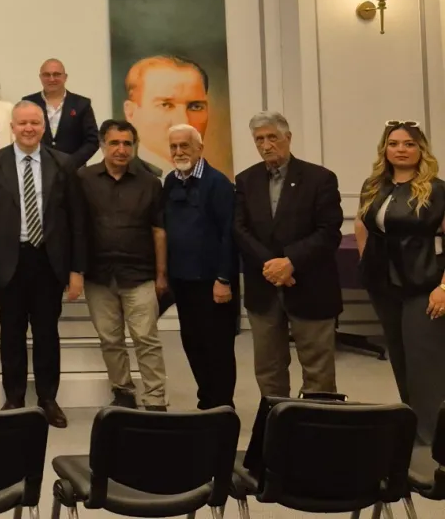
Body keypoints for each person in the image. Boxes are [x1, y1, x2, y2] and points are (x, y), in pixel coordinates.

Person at [0, 102, 85, 427]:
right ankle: (14, 399)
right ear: (12, 126)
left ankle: (48, 399)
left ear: (43, 127)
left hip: (49, 262)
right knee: (11, 333)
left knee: (46, 334)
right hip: (9, 261)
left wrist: (76, 270)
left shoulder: (63, 164)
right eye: (22, 123)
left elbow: (77, 220)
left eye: (35, 123)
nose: (28, 128)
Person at [233, 111, 342, 399]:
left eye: (272, 137)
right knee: (268, 368)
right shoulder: (245, 180)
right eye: (259, 139)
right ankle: (275, 420)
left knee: (318, 370)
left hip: (310, 286)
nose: (266, 145)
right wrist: (271, 266)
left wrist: (291, 262)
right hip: (263, 288)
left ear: (288, 138)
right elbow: (239, 229)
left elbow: (329, 232)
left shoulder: (320, 178)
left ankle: (316, 422)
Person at [354, 120, 445, 445]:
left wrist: (444, 288)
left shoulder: (437, 189)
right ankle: (413, 428)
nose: (401, 150)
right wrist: (366, 262)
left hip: (424, 287)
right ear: (385, 149)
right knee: (400, 357)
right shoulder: (373, 185)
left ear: (421, 149)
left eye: (409, 144)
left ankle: (434, 438)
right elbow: (361, 224)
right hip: (384, 286)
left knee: (425, 363)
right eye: (394, 144)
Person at [77, 119, 167, 410]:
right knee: (110, 339)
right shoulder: (84, 179)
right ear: (102, 145)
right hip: (98, 276)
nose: (121, 149)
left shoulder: (150, 183)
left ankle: (155, 399)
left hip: (139, 274)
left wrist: (161, 275)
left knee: (146, 338)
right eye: (114, 143)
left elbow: (159, 231)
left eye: (127, 143)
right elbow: (75, 226)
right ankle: (123, 392)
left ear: (134, 146)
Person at [163, 124, 238, 409]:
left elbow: (229, 234)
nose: (179, 151)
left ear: (199, 148)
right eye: (174, 146)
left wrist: (224, 278)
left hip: (213, 282)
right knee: (192, 343)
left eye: (185, 145)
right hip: (183, 282)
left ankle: (223, 405)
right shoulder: (170, 182)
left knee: (217, 347)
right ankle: (206, 400)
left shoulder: (218, 183)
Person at [123, 55, 211, 175]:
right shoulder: (117, 179)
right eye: (166, 105)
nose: (183, 121)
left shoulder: (216, 181)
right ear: (131, 113)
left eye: (195, 107)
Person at [22, 58, 99, 168]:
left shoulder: (81, 104)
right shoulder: (29, 102)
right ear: (40, 77)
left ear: (65, 77)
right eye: (47, 75)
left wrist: (72, 162)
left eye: (56, 74)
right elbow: (22, 135)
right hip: (38, 168)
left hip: (74, 169)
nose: (52, 79)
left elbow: (93, 140)